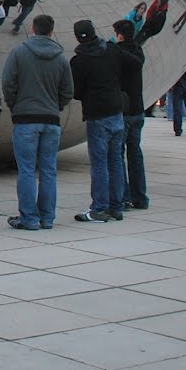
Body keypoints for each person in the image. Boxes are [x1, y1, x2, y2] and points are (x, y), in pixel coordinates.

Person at [1, 15, 73, 230]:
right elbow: (67, 91)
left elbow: (7, 83)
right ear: (52, 31)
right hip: (51, 120)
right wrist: (55, 106)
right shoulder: (61, 58)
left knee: (26, 170)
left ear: (32, 29)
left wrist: (16, 106)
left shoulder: (19, 52)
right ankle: (47, 218)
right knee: (49, 171)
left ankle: (29, 218)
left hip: (26, 120)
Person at [70, 20, 125, 223]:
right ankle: (117, 206)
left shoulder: (79, 61)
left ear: (77, 37)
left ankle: (99, 207)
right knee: (116, 160)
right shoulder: (112, 51)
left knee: (99, 163)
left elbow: (76, 91)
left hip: (97, 114)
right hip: (116, 111)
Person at [111, 20, 150, 212]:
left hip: (123, 111)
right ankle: (140, 197)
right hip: (138, 110)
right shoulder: (138, 51)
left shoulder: (118, 54)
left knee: (118, 155)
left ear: (119, 35)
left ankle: (123, 197)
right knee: (135, 154)